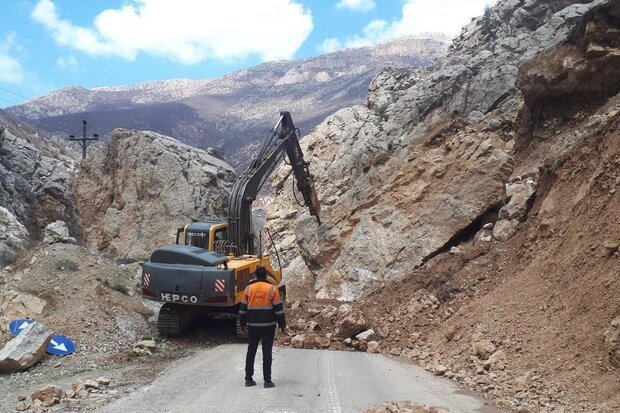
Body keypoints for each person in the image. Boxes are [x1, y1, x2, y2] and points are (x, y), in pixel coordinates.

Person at [238, 267, 286, 388]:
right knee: (267, 352)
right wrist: (282, 324)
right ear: (265, 276)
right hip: (268, 326)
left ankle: (248, 379)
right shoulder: (272, 289)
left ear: (255, 276)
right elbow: (279, 309)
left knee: (251, 351)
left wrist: (242, 323)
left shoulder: (249, 289)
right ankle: (267, 381)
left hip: (253, 326)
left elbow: (242, 309)